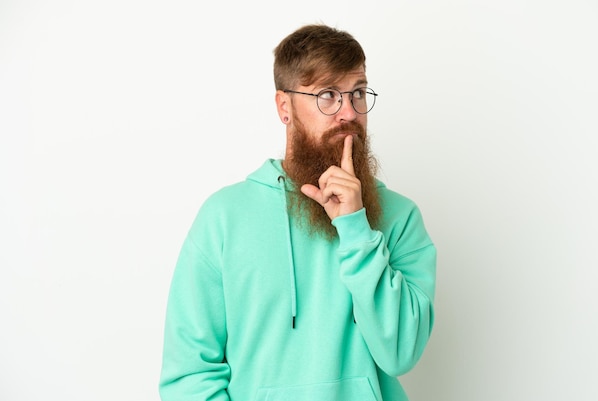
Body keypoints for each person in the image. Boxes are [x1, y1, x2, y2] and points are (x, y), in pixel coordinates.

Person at [159, 24, 437, 401]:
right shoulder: (223, 218)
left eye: (357, 92)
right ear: (284, 107)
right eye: (327, 95)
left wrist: (356, 229)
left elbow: (401, 353)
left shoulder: (399, 217)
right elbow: (189, 376)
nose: (349, 112)